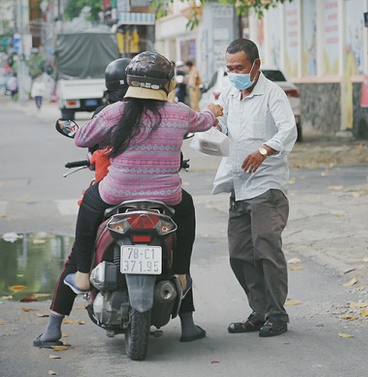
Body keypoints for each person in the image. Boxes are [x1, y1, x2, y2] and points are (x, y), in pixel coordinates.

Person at [34, 53, 222, 348]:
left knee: (87, 214)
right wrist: (214, 108)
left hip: (117, 193)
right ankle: (182, 273)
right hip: (165, 197)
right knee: (186, 212)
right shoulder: (179, 112)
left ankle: (83, 276)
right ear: (167, 84)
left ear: (130, 83)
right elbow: (205, 120)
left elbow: (82, 139)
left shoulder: (113, 112)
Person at [211, 39, 298, 337]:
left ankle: (277, 314)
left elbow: (289, 129)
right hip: (238, 184)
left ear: (256, 66)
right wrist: (215, 119)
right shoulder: (230, 92)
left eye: (240, 67)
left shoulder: (272, 93)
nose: (234, 72)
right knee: (239, 253)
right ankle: (259, 311)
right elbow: (225, 129)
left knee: (266, 249)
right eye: (229, 67)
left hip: (266, 186)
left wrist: (263, 151)